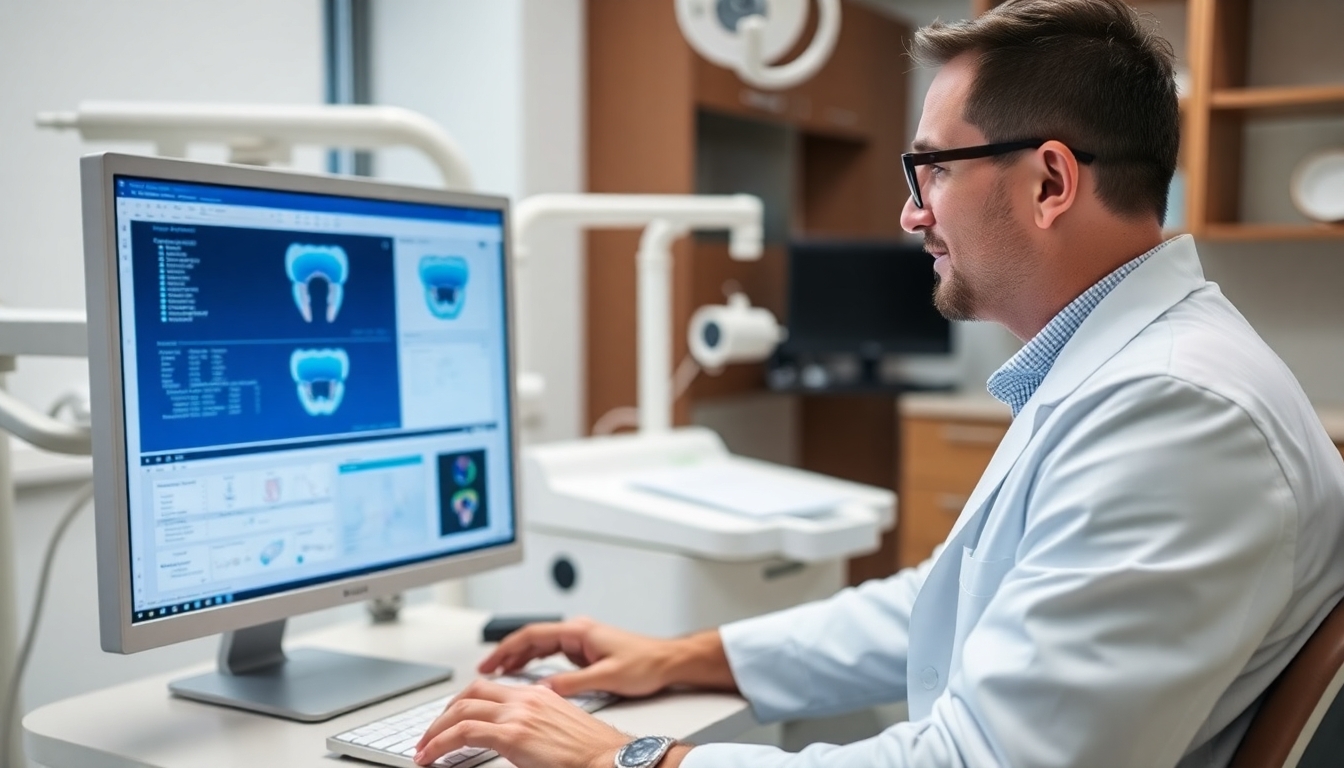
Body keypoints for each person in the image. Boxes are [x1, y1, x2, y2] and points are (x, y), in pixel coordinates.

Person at [414, 0, 1344, 765]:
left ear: (1050, 182)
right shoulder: (1125, 369)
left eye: (930, 170)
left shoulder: (1171, 411)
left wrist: (629, 757)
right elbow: (953, 599)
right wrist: (689, 655)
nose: (909, 213)